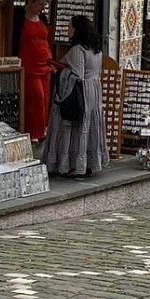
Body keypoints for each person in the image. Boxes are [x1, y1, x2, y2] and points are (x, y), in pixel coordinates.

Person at [42, 15, 109, 179]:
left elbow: (76, 74)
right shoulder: (96, 48)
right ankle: (87, 162)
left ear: (77, 29)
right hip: (93, 89)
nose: (67, 30)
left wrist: (59, 68)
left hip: (79, 92)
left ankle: (71, 165)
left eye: (70, 26)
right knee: (89, 124)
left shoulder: (78, 50)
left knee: (73, 126)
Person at [16, 0, 57, 142]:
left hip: (44, 64)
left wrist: (51, 61)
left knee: (45, 98)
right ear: (30, 1)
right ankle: (32, 132)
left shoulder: (43, 19)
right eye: (40, 4)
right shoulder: (19, 18)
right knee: (35, 98)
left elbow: (46, 42)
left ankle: (41, 131)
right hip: (29, 65)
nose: (42, 8)